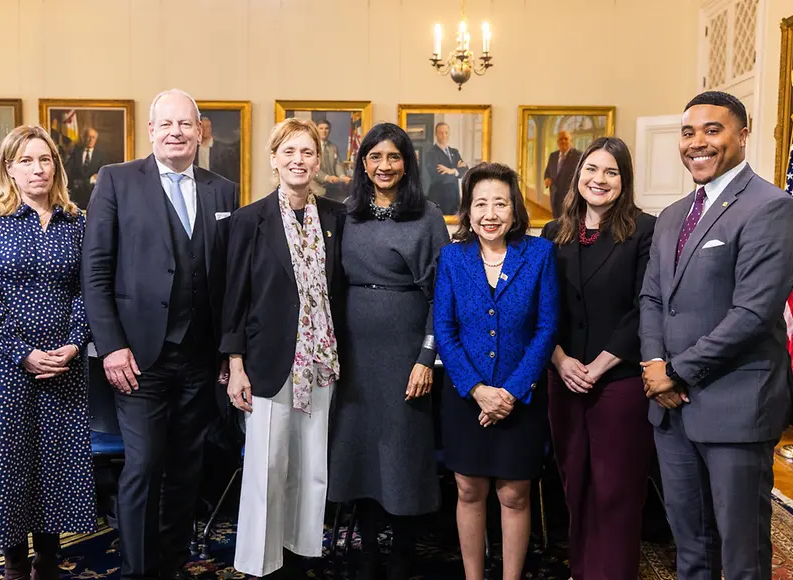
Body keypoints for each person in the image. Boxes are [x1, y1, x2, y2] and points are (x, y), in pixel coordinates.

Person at [639, 91, 793, 580]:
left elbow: (751, 314)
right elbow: (652, 300)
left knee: (741, 553)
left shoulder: (771, 207)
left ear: (743, 135)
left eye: (713, 130)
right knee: (690, 545)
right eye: (688, 132)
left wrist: (675, 372)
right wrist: (654, 366)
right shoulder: (672, 215)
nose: (697, 142)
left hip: (734, 406)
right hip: (671, 412)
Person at [82, 89, 237, 580]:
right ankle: (136, 570)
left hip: (200, 358)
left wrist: (228, 351)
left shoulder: (223, 190)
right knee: (144, 466)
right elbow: (95, 271)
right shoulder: (116, 180)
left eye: (185, 124)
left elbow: (229, 278)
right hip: (137, 358)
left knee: (186, 470)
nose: (176, 132)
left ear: (199, 132)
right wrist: (111, 347)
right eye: (166, 124)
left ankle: (169, 566)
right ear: (150, 131)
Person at [0, 125, 94, 580]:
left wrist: (74, 343)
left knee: (55, 462)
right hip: (4, 366)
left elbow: (88, 289)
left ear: (56, 166)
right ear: (9, 168)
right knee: (10, 461)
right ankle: (15, 562)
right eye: (26, 160)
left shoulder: (76, 220)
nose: (37, 169)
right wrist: (22, 352)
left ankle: (49, 560)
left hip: (64, 364)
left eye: (45, 159)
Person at [222, 117, 346, 578]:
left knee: (312, 466)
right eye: (288, 151)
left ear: (318, 161)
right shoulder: (249, 220)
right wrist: (235, 365)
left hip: (320, 361)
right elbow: (235, 297)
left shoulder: (335, 218)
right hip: (267, 362)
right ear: (273, 159)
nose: (298, 160)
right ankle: (261, 563)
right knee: (268, 467)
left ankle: (300, 555)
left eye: (307, 152)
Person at [328, 122, 450, 580]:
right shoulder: (345, 214)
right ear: (363, 164)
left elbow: (444, 295)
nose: (384, 166)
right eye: (375, 157)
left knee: (401, 452)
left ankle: (401, 553)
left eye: (394, 157)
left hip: (405, 353)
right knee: (358, 451)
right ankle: (366, 551)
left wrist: (425, 357)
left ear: (407, 163)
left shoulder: (427, 216)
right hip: (352, 354)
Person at [434, 162, 558, 580]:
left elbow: (546, 328)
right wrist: (477, 390)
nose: (490, 213)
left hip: (519, 398)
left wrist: (510, 392)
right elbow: (444, 330)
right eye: (481, 203)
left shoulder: (539, 254)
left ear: (514, 209)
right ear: (468, 210)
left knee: (514, 494)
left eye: (500, 203)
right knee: (469, 489)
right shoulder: (452, 257)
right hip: (465, 398)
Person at [541, 137, 656, 580]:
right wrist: (560, 360)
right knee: (575, 484)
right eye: (591, 169)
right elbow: (541, 307)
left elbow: (644, 305)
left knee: (616, 491)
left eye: (611, 172)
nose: (599, 179)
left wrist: (600, 364)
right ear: (578, 175)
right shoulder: (554, 232)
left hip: (618, 381)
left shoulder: (645, 230)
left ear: (624, 181)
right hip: (564, 378)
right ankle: (583, 570)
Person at [422, 122, 468, 214]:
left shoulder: (454, 152)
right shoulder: (431, 153)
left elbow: (465, 170)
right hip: (439, 197)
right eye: (441, 133)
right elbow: (439, 176)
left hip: (455, 197)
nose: (444, 136)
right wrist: (457, 171)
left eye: (446, 133)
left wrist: (451, 171)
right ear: (436, 134)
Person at [543, 131, 582, 219]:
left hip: (570, 197)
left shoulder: (578, 155)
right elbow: (548, 172)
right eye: (561, 139)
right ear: (557, 142)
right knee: (556, 220)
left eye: (566, 139)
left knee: (568, 221)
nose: (563, 141)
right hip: (554, 196)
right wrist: (547, 178)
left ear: (571, 140)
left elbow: (581, 175)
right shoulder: (553, 155)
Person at [65, 127, 108, 208]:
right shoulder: (75, 153)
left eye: (93, 137)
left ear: (96, 139)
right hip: (77, 196)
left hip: (94, 196)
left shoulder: (101, 156)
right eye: (88, 137)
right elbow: (67, 172)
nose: (90, 140)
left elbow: (104, 175)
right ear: (84, 138)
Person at [194, 116, 239, 186]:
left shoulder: (222, 149)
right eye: (202, 127)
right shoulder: (194, 149)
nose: (205, 129)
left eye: (207, 127)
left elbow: (229, 175)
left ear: (211, 128)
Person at [314, 118, 351, 201]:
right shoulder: (312, 146)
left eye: (326, 128)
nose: (324, 131)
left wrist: (342, 176)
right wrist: (327, 177)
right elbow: (312, 168)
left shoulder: (333, 147)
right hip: (316, 188)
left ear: (329, 131)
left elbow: (338, 164)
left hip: (332, 187)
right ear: (316, 130)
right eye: (321, 128)